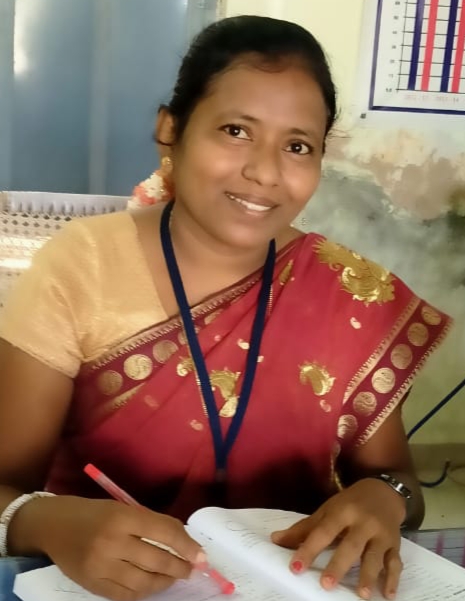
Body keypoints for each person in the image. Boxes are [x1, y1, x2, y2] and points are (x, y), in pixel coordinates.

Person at [0, 14, 452, 601]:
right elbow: (5, 484)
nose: (264, 172)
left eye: (297, 146)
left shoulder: (352, 293)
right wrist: (48, 523)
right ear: (171, 129)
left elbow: (399, 483)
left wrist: (386, 497)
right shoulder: (81, 266)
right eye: (236, 131)